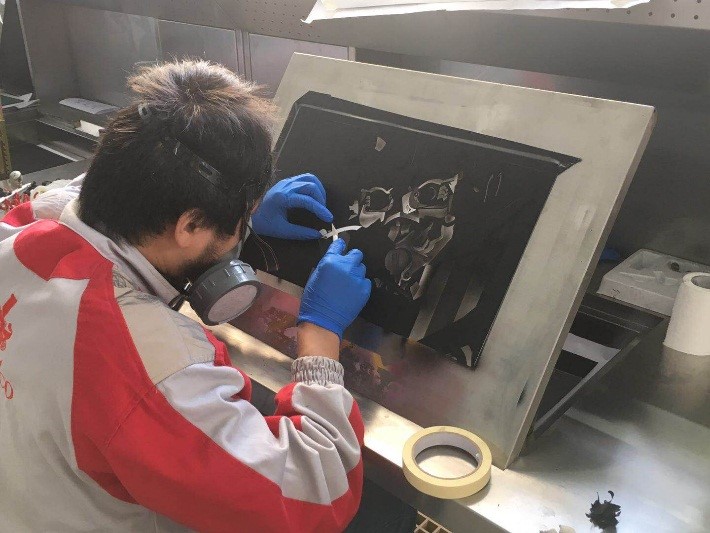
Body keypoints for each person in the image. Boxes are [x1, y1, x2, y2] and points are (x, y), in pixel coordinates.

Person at [0, 60, 413, 532]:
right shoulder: (153, 366)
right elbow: (316, 494)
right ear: (190, 225)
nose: (241, 233)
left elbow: (53, 200)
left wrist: (235, 212)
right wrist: (319, 334)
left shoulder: (17, 234)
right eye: (240, 221)